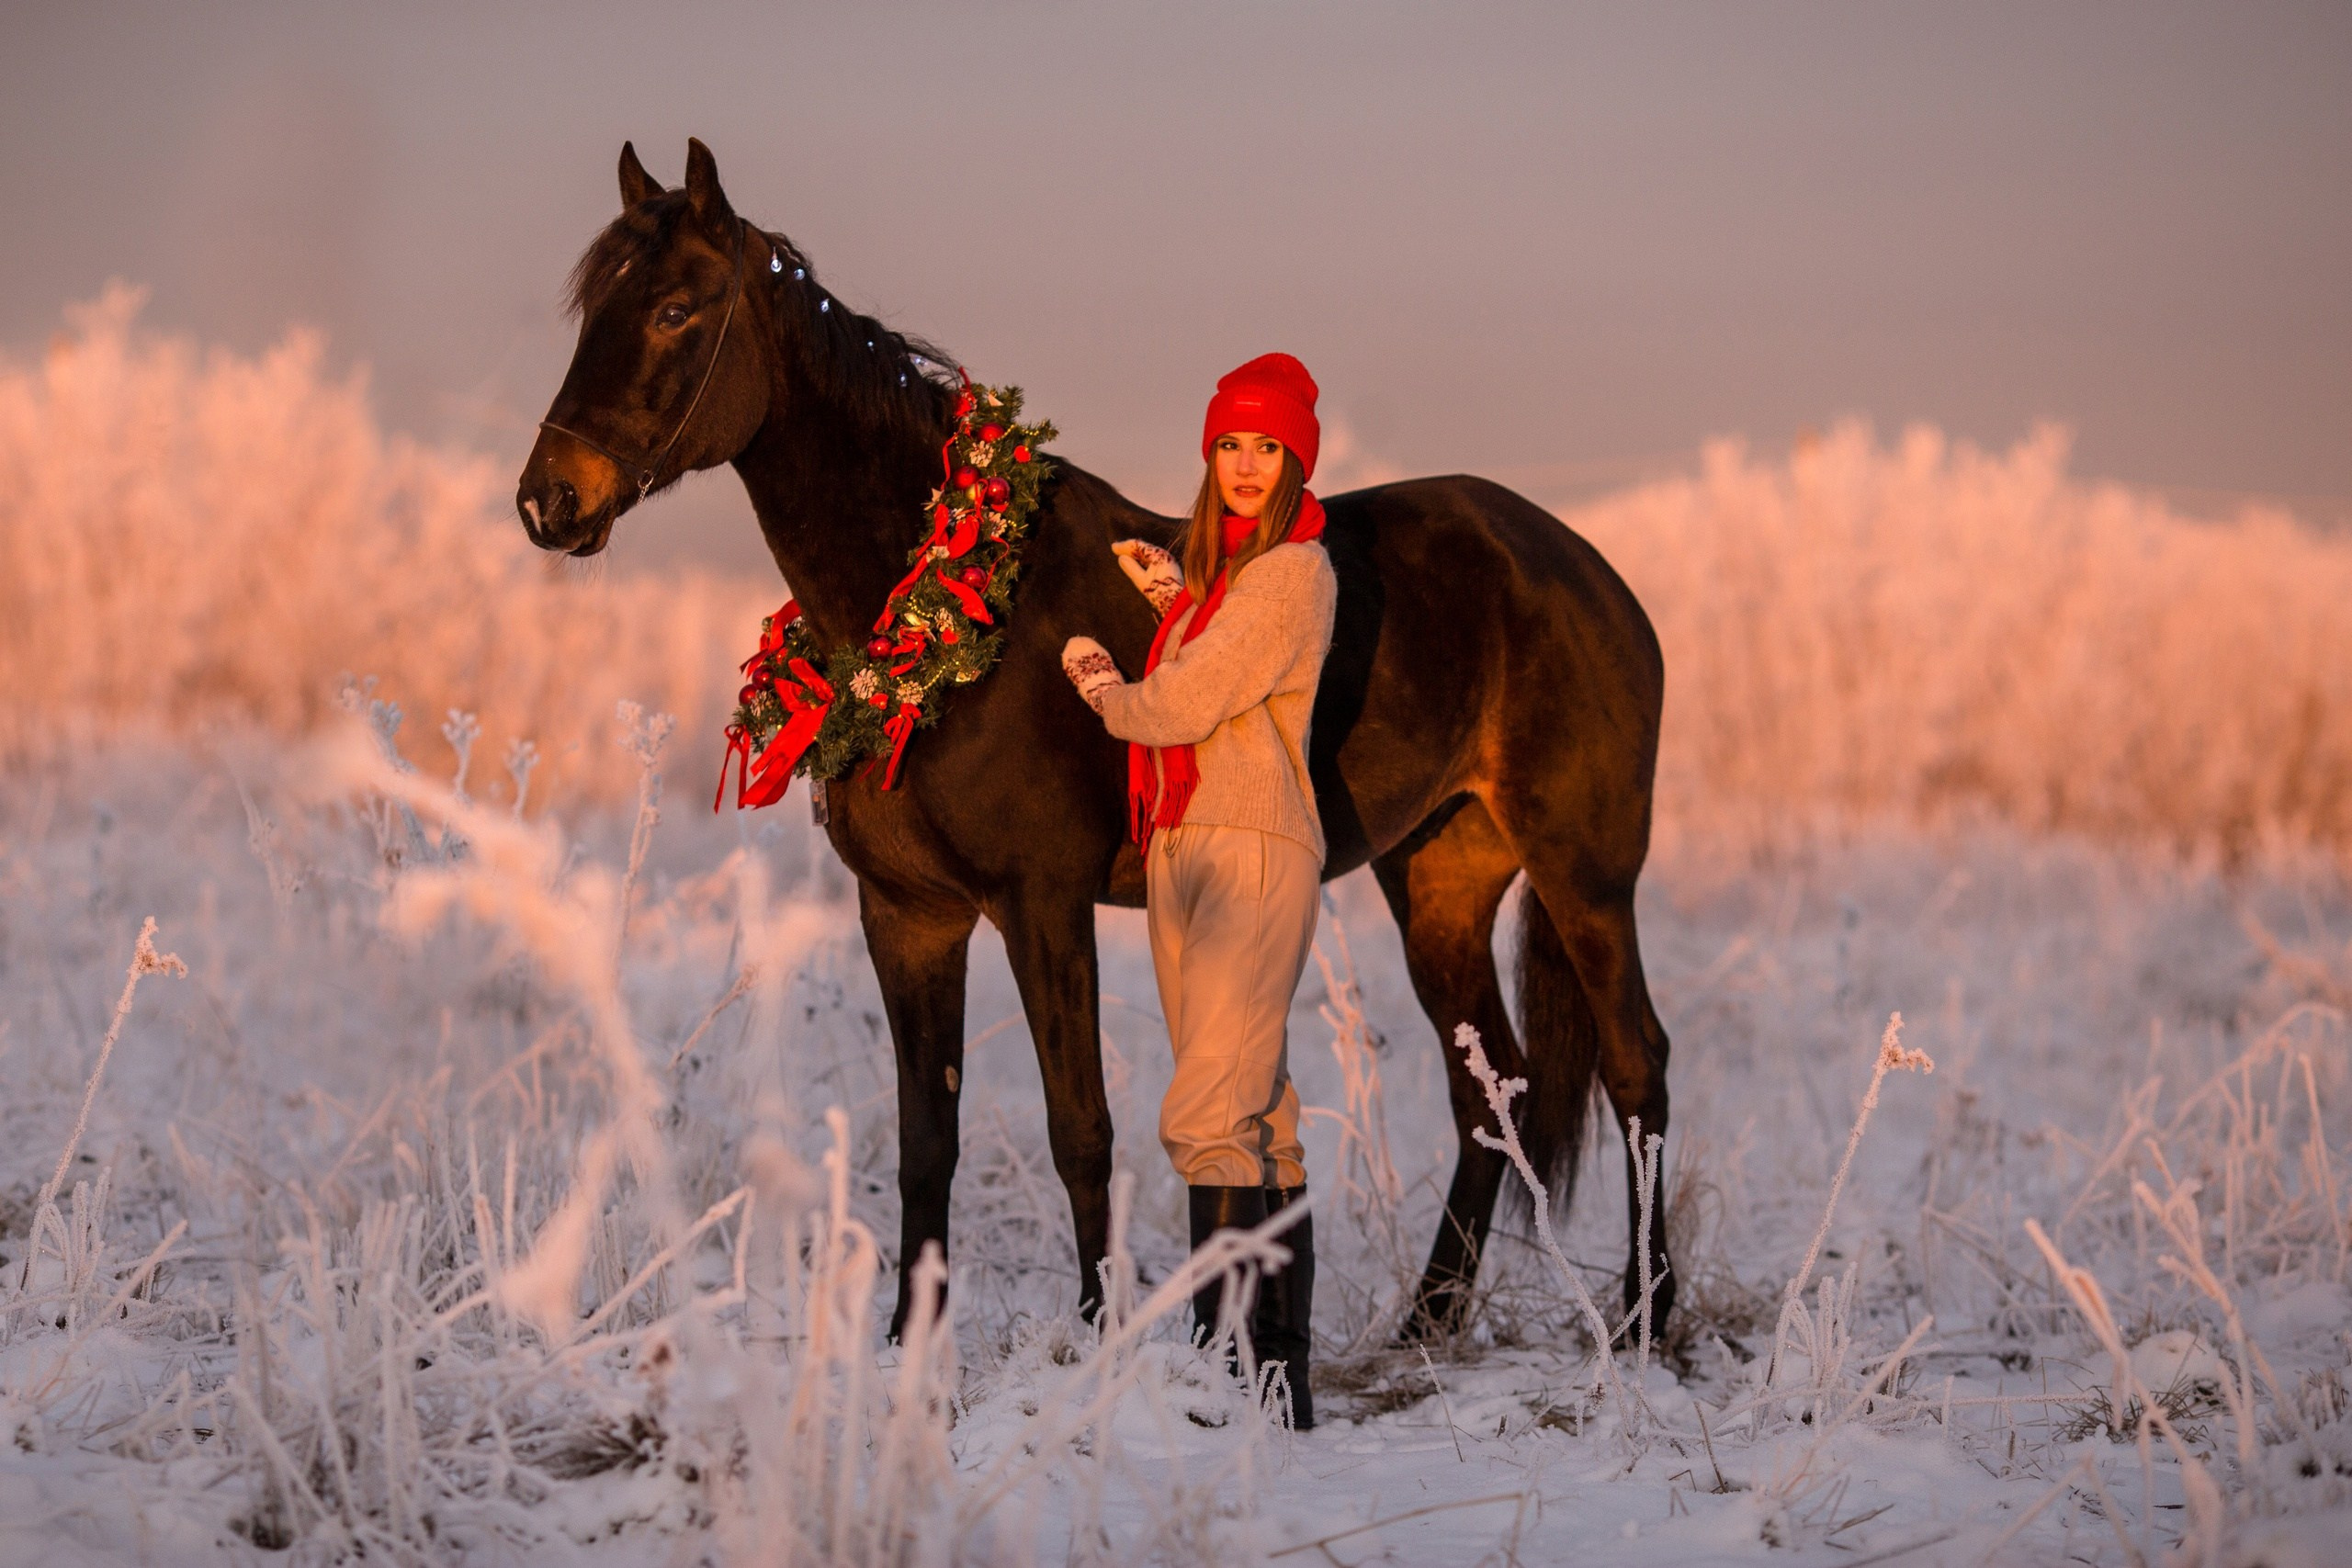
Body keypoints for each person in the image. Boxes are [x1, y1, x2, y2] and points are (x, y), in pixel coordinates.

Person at [1060, 352, 1337, 1429]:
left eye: (1269, 448)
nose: (1246, 466)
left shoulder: (1290, 575)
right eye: (1232, 444)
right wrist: (1179, 598)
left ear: (1295, 463)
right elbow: (1222, 658)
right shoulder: (1235, 584)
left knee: (1212, 1111)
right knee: (1252, 1112)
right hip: (1195, 833)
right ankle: (1278, 1382)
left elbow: (1188, 702)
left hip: (1247, 843)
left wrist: (1103, 687)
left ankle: (1223, 1380)